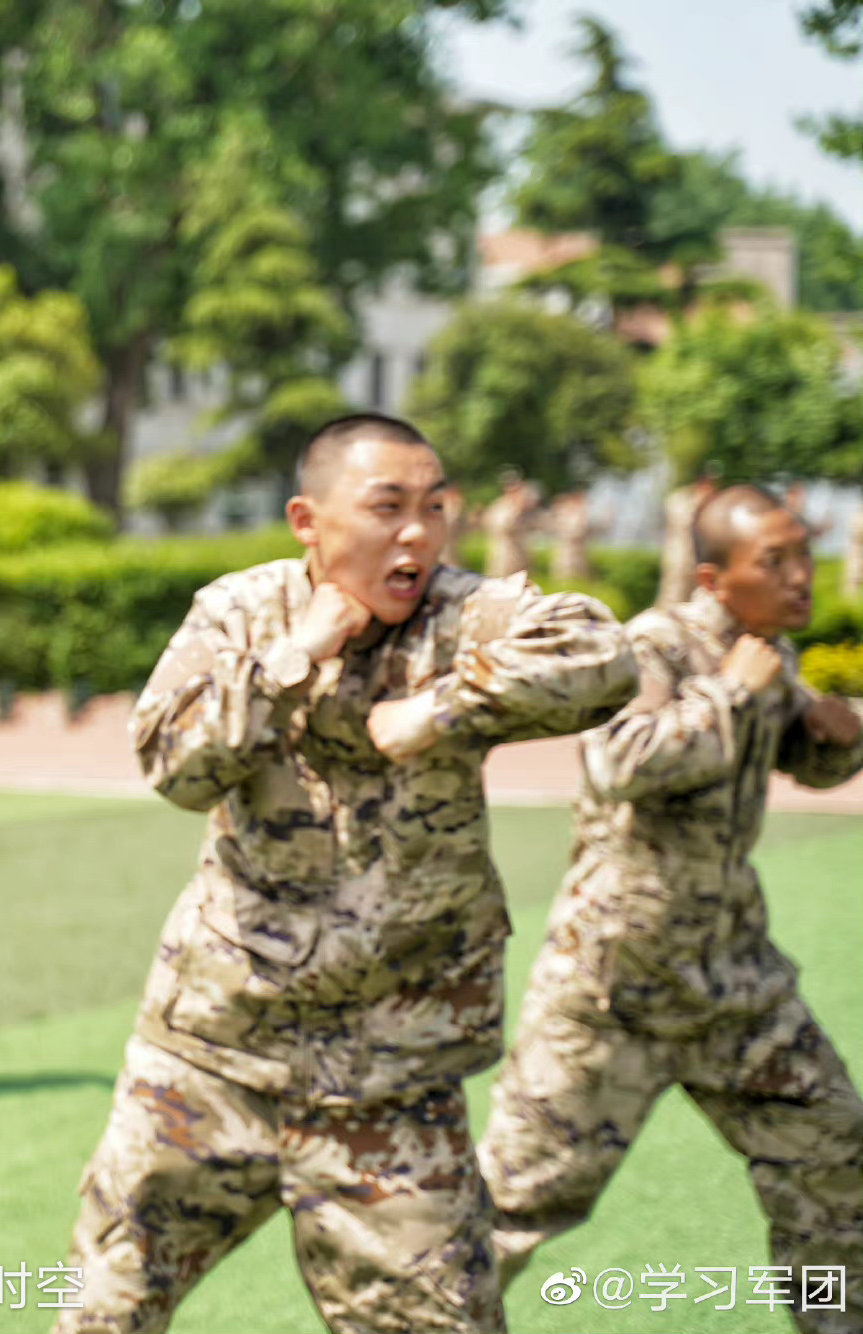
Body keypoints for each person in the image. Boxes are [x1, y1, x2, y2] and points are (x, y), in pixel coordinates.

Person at [57, 413, 637, 1334]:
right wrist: (295, 660)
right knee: (102, 1313)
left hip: (390, 1084)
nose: (416, 534)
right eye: (387, 508)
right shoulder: (241, 611)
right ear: (308, 521)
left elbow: (604, 657)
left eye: (434, 508)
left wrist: (447, 705)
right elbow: (173, 760)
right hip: (212, 1061)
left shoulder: (464, 616)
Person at [479, 485, 863, 1334]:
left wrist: (838, 736)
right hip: (615, 987)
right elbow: (619, 760)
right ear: (714, 578)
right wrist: (727, 695)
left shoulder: (767, 649)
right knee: (506, 1210)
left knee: (836, 1157)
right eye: (778, 561)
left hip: (733, 982)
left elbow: (802, 760)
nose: (803, 576)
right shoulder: (654, 647)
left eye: (805, 553)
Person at [655, 471, 717, 608]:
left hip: (698, 562)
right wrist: (698, 503)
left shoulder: (709, 502)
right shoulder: (679, 500)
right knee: (672, 598)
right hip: (679, 559)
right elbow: (683, 521)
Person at [483, 470, 540, 580]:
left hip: (521, 556)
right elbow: (503, 527)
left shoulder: (524, 509)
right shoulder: (499, 506)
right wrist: (516, 511)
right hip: (504, 557)